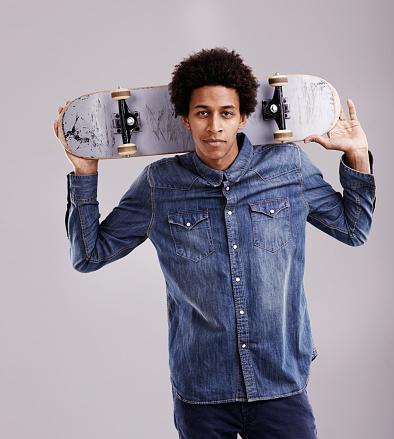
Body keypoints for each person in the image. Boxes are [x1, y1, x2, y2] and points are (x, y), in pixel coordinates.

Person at [53, 48, 375, 439]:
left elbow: (353, 229)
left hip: (280, 382)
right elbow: (88, 255)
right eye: (202, 113)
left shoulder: (287, 167)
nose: (215, 127)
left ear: (242, 117)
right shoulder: (160, 185)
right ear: (185, 118)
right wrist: (84, 173)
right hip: (202, 392)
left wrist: (358, 155)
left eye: (226, 113)